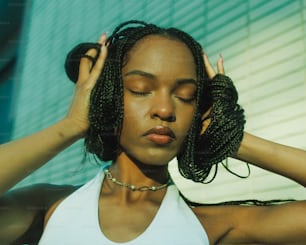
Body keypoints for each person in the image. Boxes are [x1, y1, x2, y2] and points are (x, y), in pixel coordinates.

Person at [0, 20, 305, 244]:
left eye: (185, 96)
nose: (165, 109)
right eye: (141, 89)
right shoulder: (50, 208)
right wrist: (70, 127)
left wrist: (229, 138)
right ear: (107, 97)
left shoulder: (213, 226)